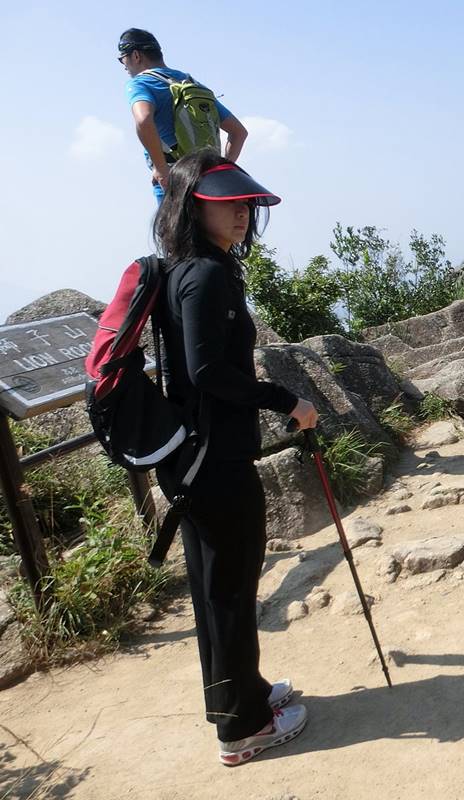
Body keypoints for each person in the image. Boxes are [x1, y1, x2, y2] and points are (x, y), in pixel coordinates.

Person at [153, 150, 317, 766]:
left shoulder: (189, 269)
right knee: (228, 588)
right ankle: (244, 729)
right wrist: (286, 400)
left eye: (244, 203)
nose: (241, 213)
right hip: (213, 461)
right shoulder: (206, 275)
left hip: (196, 457)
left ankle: (240, 695)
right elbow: (207, 371)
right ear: (192, 207)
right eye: (226, 203)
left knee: (218, 588)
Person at [119, 28, 249, 203]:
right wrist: (220, 169)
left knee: (173, 222)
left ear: (136, 55)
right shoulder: (192, 84)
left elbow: (143, 120)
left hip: (175, 178)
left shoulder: (140, 83)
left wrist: (161, 169)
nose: (124, 66)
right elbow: (239, 132)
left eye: (122, 59)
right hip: (208, 180)